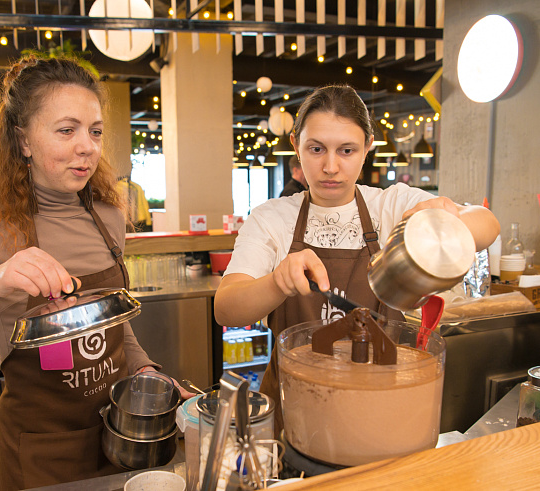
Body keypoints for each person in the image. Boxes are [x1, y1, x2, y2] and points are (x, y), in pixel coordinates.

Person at [0, 56, 191, 490]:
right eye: (67, 130)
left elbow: (111, 326)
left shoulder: (106, 215)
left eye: (95, 131)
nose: (87, 146)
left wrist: (144, 370)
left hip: (119, 441)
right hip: (41, 453)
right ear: (23, 139)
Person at [214, 84, 500, 436]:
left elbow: (488, 225)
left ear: (367, 148)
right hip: (298, 412)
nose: (330, 167)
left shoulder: (390, 207)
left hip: (382, 408)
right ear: (296, 147)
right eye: (316, 149)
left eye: (346, 150)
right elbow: (226, 308)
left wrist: (449, 217)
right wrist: (276, 282)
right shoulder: (271, 218)